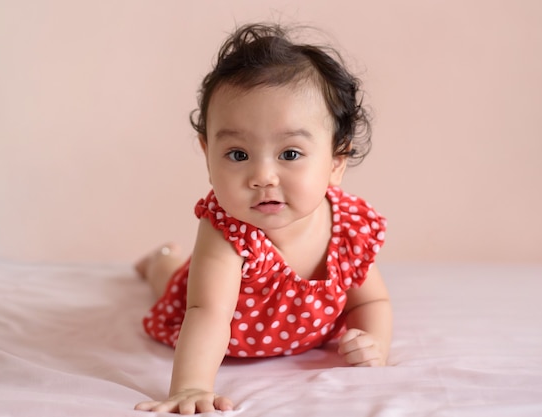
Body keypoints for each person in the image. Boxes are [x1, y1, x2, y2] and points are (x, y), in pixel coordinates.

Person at [134, 22, 392, 414]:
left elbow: (370, 300)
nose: (262, 177)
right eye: (238, 154)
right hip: (212, 310)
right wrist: (190, 387)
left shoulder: (347, 227)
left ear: (336, 162)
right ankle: (161, 259)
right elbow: (207, 313)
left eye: (290, 154)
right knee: (173, 281)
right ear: (208, 154)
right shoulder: (227, 230)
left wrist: (374, 342)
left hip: (302, 334)